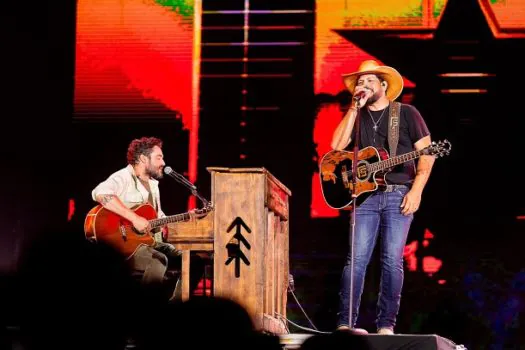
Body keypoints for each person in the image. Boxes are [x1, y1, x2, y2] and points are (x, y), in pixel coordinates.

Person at [331, 60, 436, 334]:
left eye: (368, 81)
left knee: (391, 260)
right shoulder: (357, 117)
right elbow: (336, 147)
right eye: (359, 82)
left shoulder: (406, 113)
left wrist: (416, 190)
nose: (363, 85)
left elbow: (427, 153)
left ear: (383, 85)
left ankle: (386, 325)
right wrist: (354, 107)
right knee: (356, 260)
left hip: (398, 194)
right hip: (364, 197)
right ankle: (345, 324)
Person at [90, 136, 204, 301]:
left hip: (150, 242)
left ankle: (175, 307)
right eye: (159, 157)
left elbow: (157, 217)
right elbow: (100, 193)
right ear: (143, 158)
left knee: (194, 261)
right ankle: (146, 314)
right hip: (126, 247)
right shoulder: (122, 177)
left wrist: (187, 216)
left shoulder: (153, 185)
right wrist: (134, 218)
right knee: (158, 260)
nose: (163, 162)